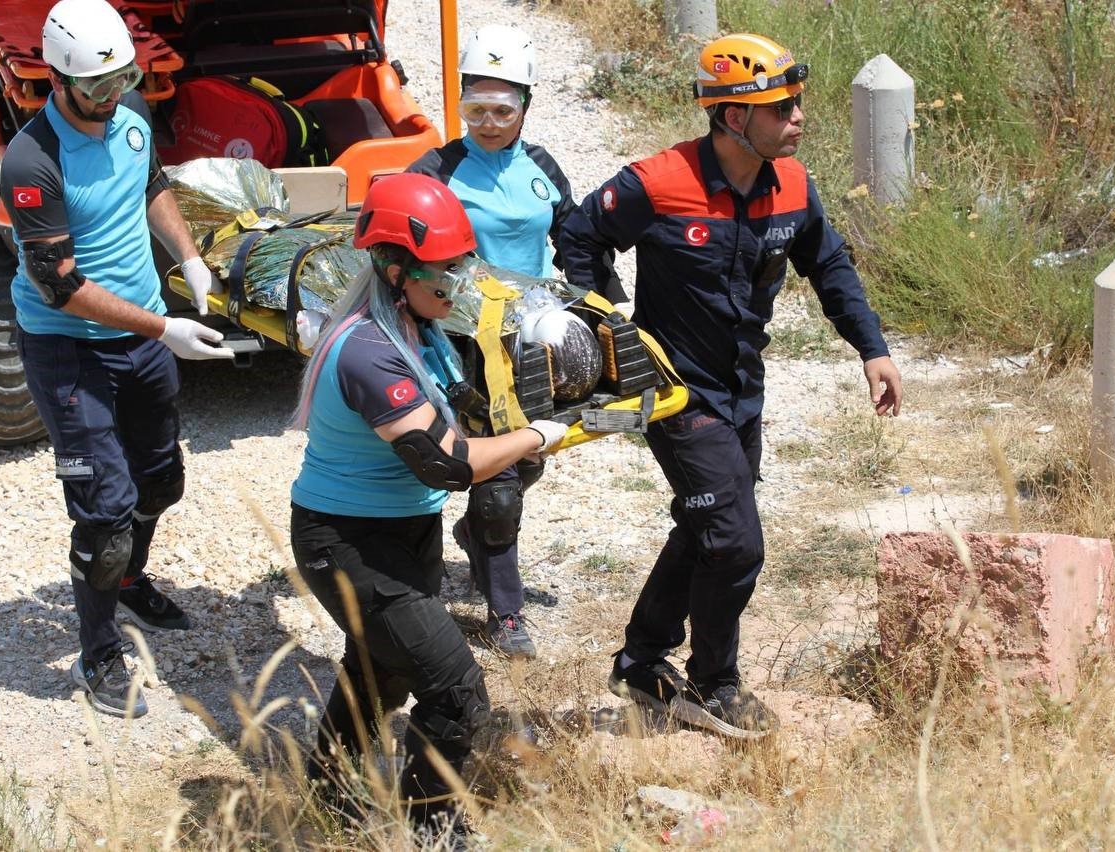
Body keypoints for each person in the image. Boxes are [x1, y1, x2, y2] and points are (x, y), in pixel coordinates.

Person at [558, 33, 904, 738]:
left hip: (743, 387)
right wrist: (604, 326)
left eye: (798, 102)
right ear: (733, 117)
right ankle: (715, 684)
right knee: (736, 541)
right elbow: (579, 237)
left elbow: (829, 268)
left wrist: (872, 349)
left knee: (706, 522)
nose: (799, 117)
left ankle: (641, 660)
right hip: (676, 393)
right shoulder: (656, 180)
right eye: (783, 107)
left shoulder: (795, 185)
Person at [289, 172, 567, 838]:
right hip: (349, 546)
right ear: (393, 271)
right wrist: (536, 439)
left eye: (461, 266)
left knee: (380, 674)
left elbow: (470, 420)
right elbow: (447, 463)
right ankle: (432, 831)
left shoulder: (423, 332)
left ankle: (327, 803)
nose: (459, 283)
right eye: (444, 272)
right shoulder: (368, 351)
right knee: (457, 693)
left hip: (402, 535)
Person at [1, 0, 234, 718]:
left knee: (159, 482)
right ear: (58, 82)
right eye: (96, 89)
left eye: (124, 81)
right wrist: (164, 327)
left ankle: (131, 584)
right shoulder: (31, 161)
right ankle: (98, 651)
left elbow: (151, 182)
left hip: (140, 337)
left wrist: (189, 258)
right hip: (70, 350)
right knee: (104, 519)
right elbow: (62, 286)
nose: (111, 101)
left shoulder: (128, 118)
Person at [407, 24, 620, 658]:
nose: (490, 123)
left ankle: (478, 535)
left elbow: (575, 241)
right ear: (461, 105)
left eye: (503, 111)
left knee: (526, 460)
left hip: (529, 333)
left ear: (526, 106)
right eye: (476, 109)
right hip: (459, 341)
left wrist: (603, 311)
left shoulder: (543, 167)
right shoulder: (437, 168)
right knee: (497, 476)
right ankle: (505, 615)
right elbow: (398, 249)